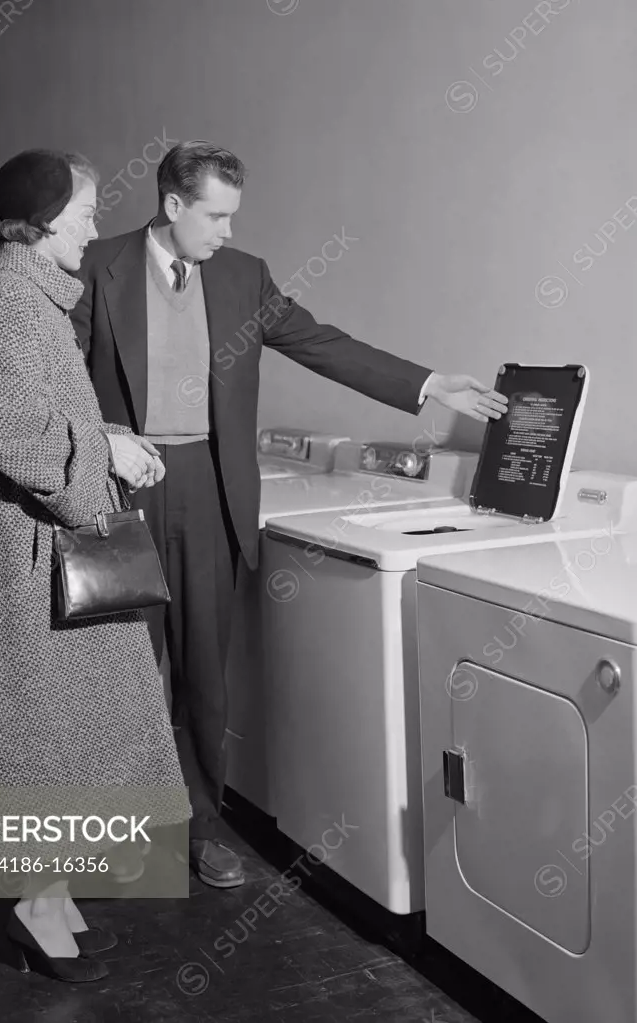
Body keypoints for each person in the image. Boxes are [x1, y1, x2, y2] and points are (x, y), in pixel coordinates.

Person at [70, 140, 508, 889]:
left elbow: (321, 343)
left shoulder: (243, 277)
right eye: (216, 215)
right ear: (173, 206)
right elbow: (60, 374)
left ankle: (198, 831)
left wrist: (428, 383)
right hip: (122, 490)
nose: (228, 231)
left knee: (206, 677)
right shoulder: (96, 267)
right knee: (124, 678)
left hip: (211, 487)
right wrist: (104, 437)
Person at [0, 148, 188, 983]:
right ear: (38, 224)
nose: (91, 226)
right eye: (81, 212)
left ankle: (52, 893)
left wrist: (107, 439)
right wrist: (100, 470)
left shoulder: (28, 297)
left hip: (42, 551)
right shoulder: (14, 302)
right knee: (39, 739)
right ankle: (32, 908)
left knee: (63, 737)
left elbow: (37, 417)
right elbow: (1, 430)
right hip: (28, 561)